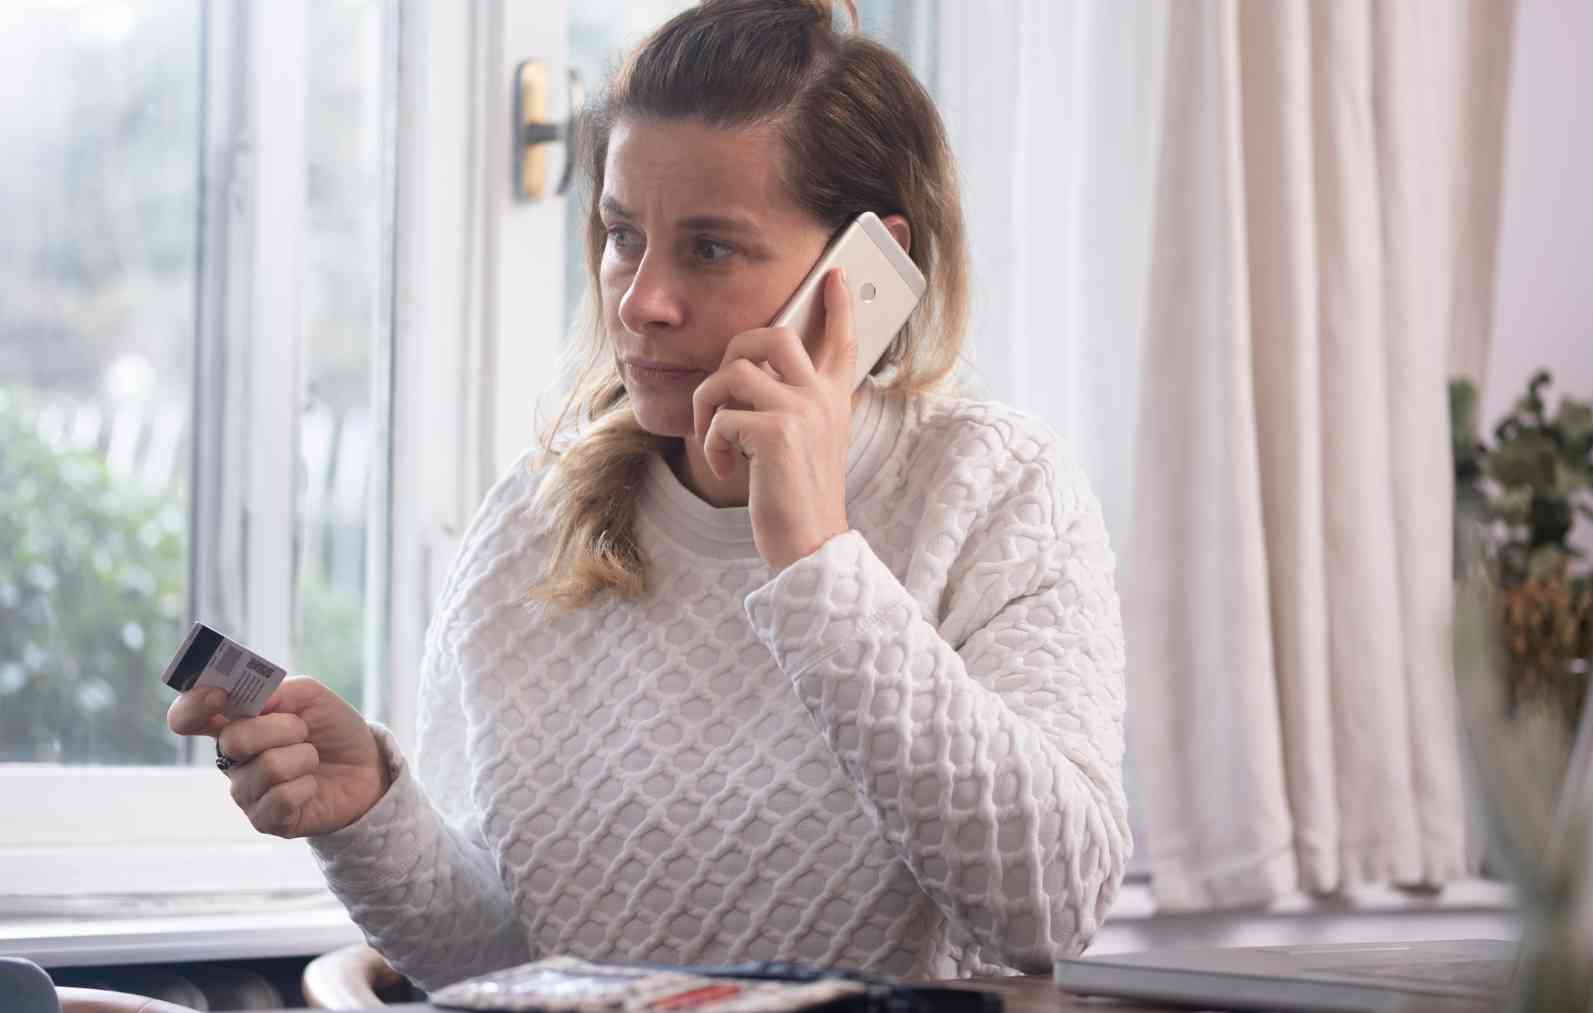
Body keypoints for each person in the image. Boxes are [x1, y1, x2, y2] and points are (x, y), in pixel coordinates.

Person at [168, 0, 1129, 989]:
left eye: (710, 249)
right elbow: (517, 967)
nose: (641, 300)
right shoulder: (529, 525)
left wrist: (816, 557)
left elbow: (1053, 901)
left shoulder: (996, 490)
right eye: (625, 235)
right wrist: (368, 809)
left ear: (866, 270)